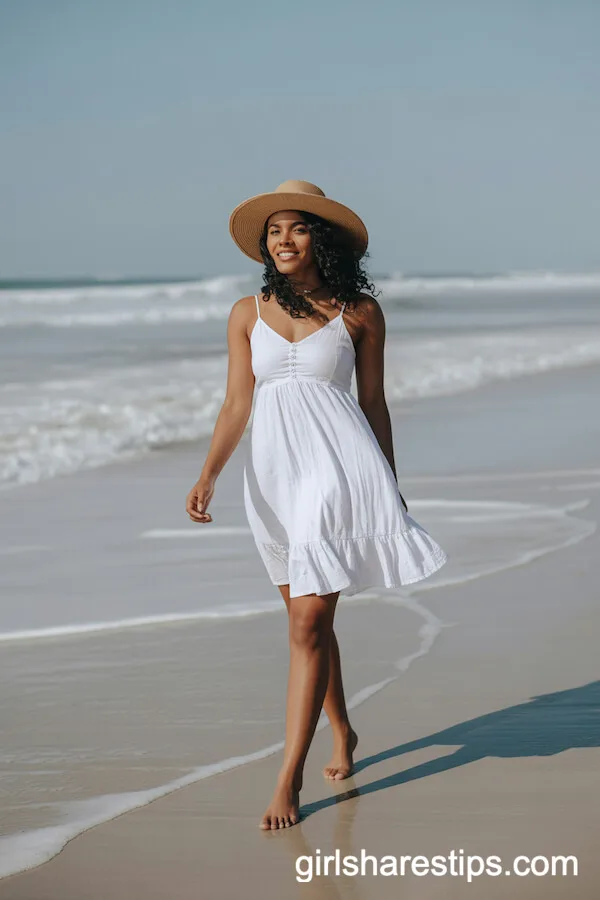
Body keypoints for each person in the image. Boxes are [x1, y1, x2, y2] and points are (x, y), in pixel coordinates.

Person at [186, 180, 447, 830]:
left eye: (296, 228)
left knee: (305, 626)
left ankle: (288, 778)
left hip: (339, 472)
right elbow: (237, 403)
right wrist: (209, 473)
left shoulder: (359, 312)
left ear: (319, 239)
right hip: (272, 477)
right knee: (312, 624)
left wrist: (388, 479)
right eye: (273, 231)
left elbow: (374, 404)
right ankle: (344, 731)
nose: (282, 240)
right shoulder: (246, 313)